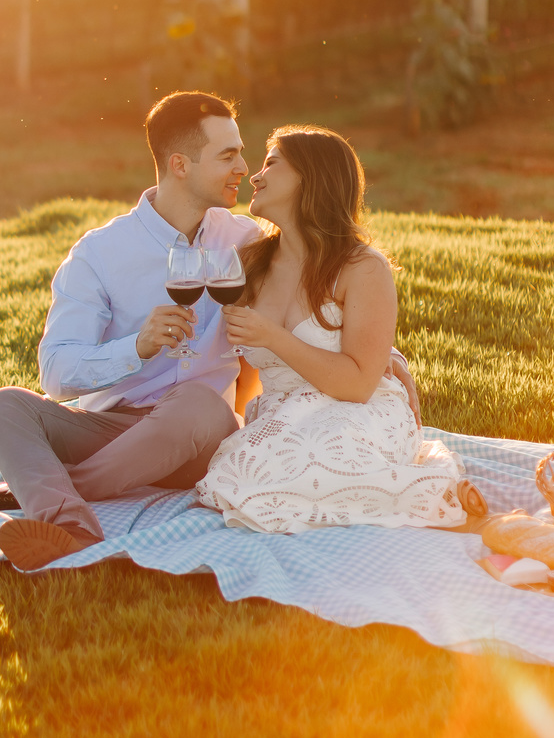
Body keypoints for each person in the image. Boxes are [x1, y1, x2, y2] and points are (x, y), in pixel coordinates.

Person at [0, 91, 421, 572]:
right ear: (180, 165)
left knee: (194, 401)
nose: (244, 168)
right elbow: (56, 374)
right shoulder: (100, 254)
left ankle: (40, 503)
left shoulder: (247, 242)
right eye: (228, 155)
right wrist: (136, 348)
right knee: (4, 406)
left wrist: (386, 361)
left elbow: (319, 301)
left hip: (201, 434)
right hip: (112, 431)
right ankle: (67, 517)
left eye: (245, 154)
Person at [194, 125, 471, 534]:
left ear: (312, 176)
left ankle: (430, 493)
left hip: (357, 412)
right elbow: (250, 370)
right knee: (238, 469)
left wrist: (272, 336)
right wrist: (243, 423)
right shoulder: (249, 265)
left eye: (272, 162)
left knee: (325, 453)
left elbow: (359, 384)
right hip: (284, 415)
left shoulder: (362, 267)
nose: (255, 175)